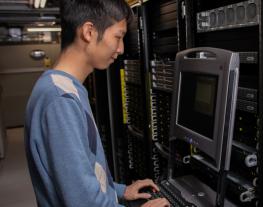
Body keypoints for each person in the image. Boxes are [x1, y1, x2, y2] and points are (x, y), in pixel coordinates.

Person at [24, 0, 169, 206]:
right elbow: (82, 202)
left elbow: (81, 175)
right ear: (89, 32)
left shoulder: (66, 88)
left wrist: (121, 191)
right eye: (118, 37)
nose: (120, 49)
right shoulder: (60, 100)